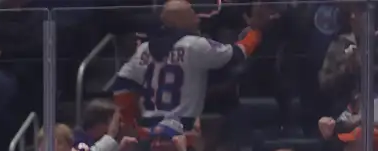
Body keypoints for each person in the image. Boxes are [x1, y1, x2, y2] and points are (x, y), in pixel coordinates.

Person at [113, 0, 272, 131]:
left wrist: (129, 118)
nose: (197, 19)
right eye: (191, 14)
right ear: (177, 21)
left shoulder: (143, 49)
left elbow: (121, 85)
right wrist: (255, 32)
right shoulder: (194, 45)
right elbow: (237, 54)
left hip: (149, 126)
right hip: (182, 126)